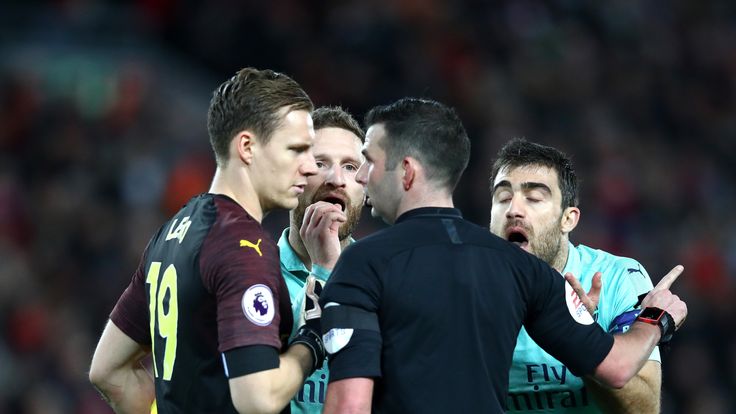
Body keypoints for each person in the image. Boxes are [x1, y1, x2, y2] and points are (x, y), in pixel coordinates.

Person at [317, 98, 687, 414]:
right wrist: (656, 318)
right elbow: (619, 365)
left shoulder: (363, 262)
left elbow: (348, 406)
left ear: (408, 172)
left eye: (368, 161)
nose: (361, 176)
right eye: (503, 195)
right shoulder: (520, 268)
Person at [88, 67, 326, 414]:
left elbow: (107, 372)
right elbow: (257, 398)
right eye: (296, 150)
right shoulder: (244, 249)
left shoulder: (171, 232)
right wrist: (311, 343)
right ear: (247, 146)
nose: (310, 167)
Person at [489, 138, 661, 413]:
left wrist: (584, 337)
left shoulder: (619, 278)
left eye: (533, 198)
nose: (513, 210)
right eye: (503, 198)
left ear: (568, 219)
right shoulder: (469, 286)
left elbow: (644, 409)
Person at [277, 106, 365, 413]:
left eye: (352, 167)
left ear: (366, 188)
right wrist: (324, 269)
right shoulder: (250, 273)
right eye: (320, 163)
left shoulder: (386, 283)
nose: (337, 179)